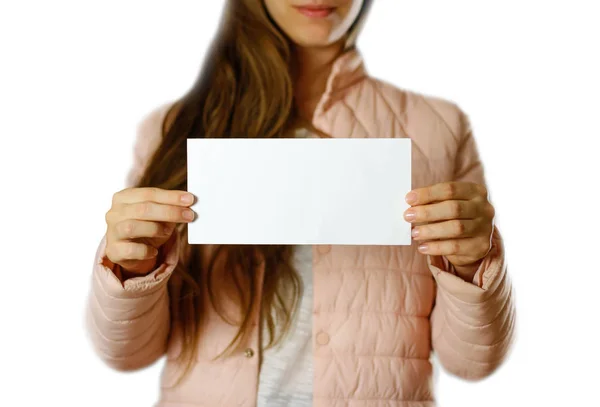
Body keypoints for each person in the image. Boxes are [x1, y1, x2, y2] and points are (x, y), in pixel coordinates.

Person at [86, 1, 516, 406]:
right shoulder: (172, 129)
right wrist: (133, 272)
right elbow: (128, 356)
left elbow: (472, 363)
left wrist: (472, 268)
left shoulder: (438, 129)